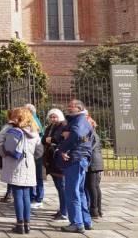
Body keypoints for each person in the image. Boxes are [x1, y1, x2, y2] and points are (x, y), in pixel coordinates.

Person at [0, 106, 43, 235]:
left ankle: (20, 225)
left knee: (18, 195)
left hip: (16, 165)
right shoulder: (34, 131)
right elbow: (39, 151)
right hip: (30, 165)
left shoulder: (12, 130)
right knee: (26, 195)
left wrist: (4, 154)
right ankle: (27, 225)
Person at [56, 99, 93, 233]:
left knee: (72, 192)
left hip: (75, 159)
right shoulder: (76, 120)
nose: (68, 108)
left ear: (79, 108)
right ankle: (86, 221)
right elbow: (62, 134)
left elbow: (76, 134)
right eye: (68, 106)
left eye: (71, 107)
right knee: (80, 191)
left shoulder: (80, 120)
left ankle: (77, 223)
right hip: (79, 159)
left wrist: (63, 149)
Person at [42, 108, 68, 221]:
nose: (53, 119)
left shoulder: (63, 126)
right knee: (58, 186)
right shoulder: (50, 127)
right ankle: (62, 209)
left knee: (62, 187)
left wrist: (51, 139)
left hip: (59, 161)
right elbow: (43, 139)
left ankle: (64, 211)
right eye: (51, 117)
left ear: (59, 117)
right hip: (51, 160)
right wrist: (47, 139)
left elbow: (61, 140)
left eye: (55, 117)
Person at [84, 112, 104, 219]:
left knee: (92, 186)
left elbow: (88, 148)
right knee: (95, 186)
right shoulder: (93, 133)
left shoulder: (91, 134)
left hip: (93, 162)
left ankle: (94, 210)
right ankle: (98, 210)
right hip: (96, 162)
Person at [25, 103, 44, 208]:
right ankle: (34, 197)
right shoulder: (32, 120)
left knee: (37, 176)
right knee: (34, 175)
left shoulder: (33, 121)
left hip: (35, 152)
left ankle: (38, 198)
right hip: (34, 152)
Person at [0, 109, 14, 203]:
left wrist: (2, 152)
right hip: (10, 153)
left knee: (11, 174)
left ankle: (10, 194)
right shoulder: (9, 126)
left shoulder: (9, 126)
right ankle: (9, 193)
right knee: (10, 174)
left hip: (9, 153)